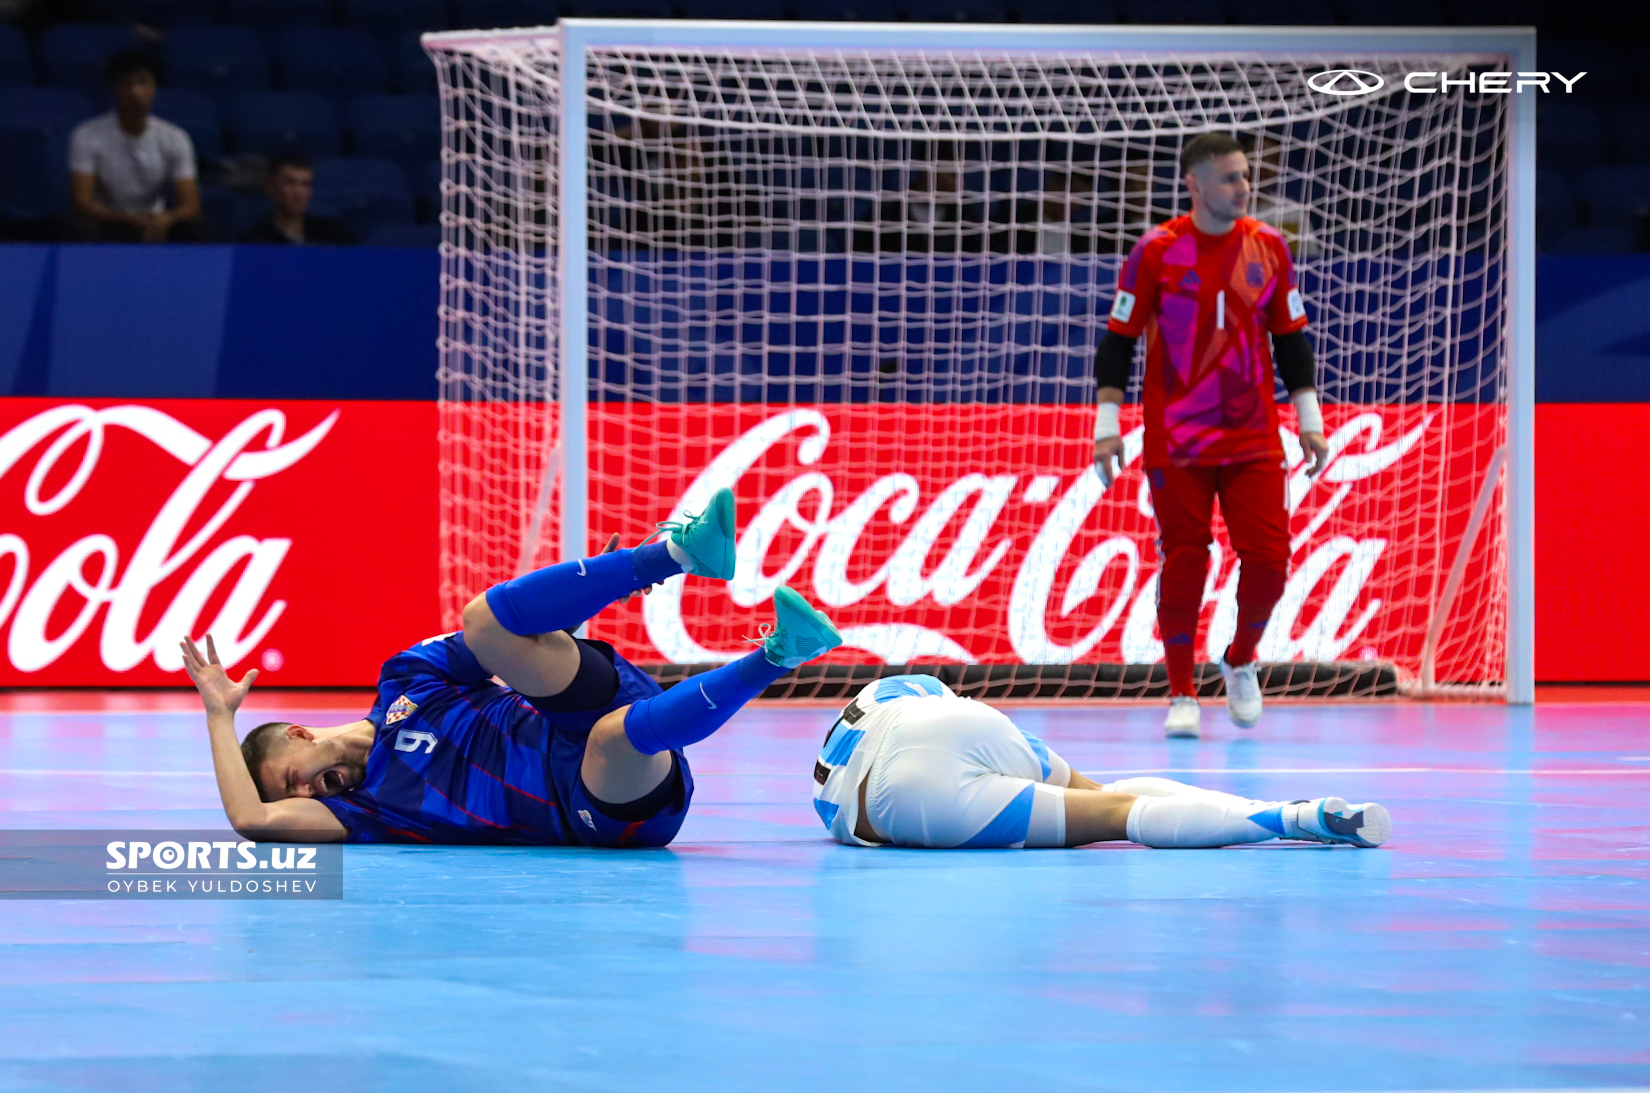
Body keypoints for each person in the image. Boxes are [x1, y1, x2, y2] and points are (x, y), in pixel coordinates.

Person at [183, 488, 845, 846]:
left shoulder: (404, 682)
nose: (306, 796)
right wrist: (219, 714)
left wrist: (582, 596)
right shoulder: (370, 812)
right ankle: (780, 652)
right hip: (597, 806)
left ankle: (674, 554)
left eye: (290, 780)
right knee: (614, 736)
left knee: (486, 619)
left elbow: (506, 638)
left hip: (565, 711)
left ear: (300, 735)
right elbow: (254, 823)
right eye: (295, 799)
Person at [1090, 131, 1331, 740]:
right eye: (1229, 178)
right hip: (1177, 438)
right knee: (1186, 561)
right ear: (1194, 184)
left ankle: (1240, 658)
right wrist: (1107, 427)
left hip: (1252, 436)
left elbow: (1291, 338)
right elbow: (1118, 342)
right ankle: (1181, 690)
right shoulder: (1156, 251)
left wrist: (1309, 420)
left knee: (1272, 562)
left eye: (1246, 175)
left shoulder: (1270, 246)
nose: (1244, 188)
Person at [813, 676, 1390, 850]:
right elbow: (934, 699)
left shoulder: (821, 781)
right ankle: (1289, 812)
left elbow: (830, 814)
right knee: (1106, 794)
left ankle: (1291, 820)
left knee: (1115, 816)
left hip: (877, 808)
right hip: (949, 722)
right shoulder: (899, 689)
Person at [68, 47, 208, 242]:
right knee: (79, 228)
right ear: (114, 89)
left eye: (142, 82)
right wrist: (127, 219)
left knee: (199, 228)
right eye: (126, 84)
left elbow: (190, 204)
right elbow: (83, 202)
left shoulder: (175, 137)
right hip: (110, 221)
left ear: (154, 87)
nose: (135, 92)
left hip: (154, 220)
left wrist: (167, 218)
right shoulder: (86, 135)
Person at [238, 153, 354, 245]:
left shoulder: (333, 235)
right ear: (270, 186)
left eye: (306, 184)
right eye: (290, 183)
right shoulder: (255, 240)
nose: (299, 193)